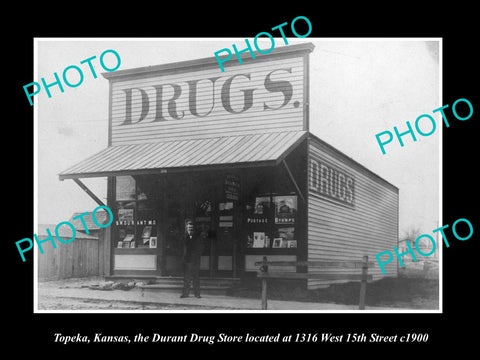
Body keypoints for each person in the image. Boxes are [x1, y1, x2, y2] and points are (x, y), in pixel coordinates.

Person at [180, 219, 202, 298]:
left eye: (191, 228)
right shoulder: (183, 236)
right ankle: (185, 294)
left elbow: (200, 247)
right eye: (189, 227)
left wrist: (197, 257)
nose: (190, 229)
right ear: (186, 228)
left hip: (195, 260)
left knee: (196, 277)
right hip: (187, 260)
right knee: (186, 278)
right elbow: (181, 247)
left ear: (193, 228)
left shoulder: (197, 237)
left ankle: (197, 294)